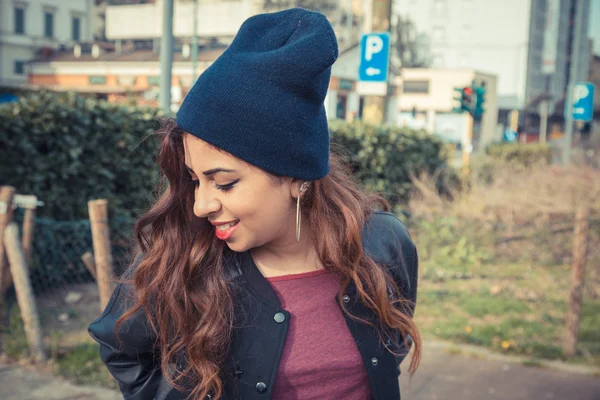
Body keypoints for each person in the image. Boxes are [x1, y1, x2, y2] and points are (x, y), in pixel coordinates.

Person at [89, 7, 421, 400]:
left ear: (297, 177)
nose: (200, 205)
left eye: (224, 183)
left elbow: (388, 350)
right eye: (196, 180)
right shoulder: (185, 258)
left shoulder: (383, 244)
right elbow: (121, 348)